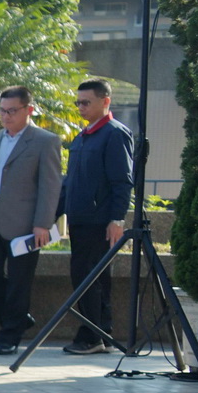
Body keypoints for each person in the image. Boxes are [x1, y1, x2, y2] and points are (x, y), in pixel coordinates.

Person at [0, 85, 64, 355]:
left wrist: (43, 224)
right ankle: (18, 319)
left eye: (12, 111)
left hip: (26, 221)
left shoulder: (45, 141)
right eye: (2, 111)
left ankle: (9, 335)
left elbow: (51, 186)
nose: (6, 116)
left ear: (29, 110)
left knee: (19, 279)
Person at [62, 79, 134, 355]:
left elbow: (122, 181)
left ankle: (93, 335)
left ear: (105, 102)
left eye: (86, 102)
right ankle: (99, 333)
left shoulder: (115, 134)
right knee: (92, 277)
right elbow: (71, 182)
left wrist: (117, 219)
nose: (80, 107)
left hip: (99, 220)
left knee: (88, 276)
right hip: (80, 219)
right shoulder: (83, 136)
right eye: (78, 102)